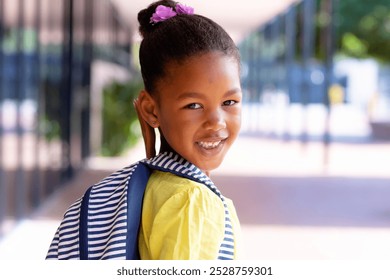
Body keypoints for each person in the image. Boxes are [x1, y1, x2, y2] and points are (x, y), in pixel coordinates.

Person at [46, 0, 242, 260]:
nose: (216, 121)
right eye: (193, 105)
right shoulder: (192, 200)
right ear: (150, 110)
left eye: (229, 102)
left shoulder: (149, 186)